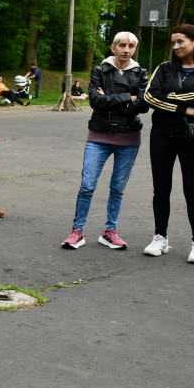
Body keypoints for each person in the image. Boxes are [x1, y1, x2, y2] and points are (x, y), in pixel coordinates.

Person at [61, 32, 149, 250]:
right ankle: (77, 231)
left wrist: (111, 100)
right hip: (99, 136)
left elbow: (144, 105)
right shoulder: (100, 70)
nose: (126, 50)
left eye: (130, 46)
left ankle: (109, 232)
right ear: (113, 47)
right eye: (122, 45)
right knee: (88, 185)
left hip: (129, 137)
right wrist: (130, 98)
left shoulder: (140, 73)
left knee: (118, 187)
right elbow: (96, 101)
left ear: (135, 49)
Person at [143, 23, 194, 263]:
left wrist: (168, 99)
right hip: (161, 134)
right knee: (161, 189)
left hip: (193, 135)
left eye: (181, 42)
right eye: (173, 43)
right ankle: (160, 238)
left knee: (192, 191)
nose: (176, 46)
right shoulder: (165, 68)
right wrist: (184, 107)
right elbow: (149, 97)